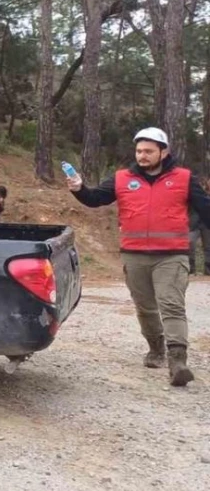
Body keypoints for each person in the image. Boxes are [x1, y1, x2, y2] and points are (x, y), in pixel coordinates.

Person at [68, 127, 210, 386]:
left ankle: (178, 361)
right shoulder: (122, 178)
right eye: (139, 151)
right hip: (134, 256)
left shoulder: (184, 178)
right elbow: (95, 199)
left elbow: (206, 211)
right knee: (145, 308)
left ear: (163, 152)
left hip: (172, 255)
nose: (142, 156)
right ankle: (156, 349)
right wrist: (79, 188)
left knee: (172, 305)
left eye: (148, 151)